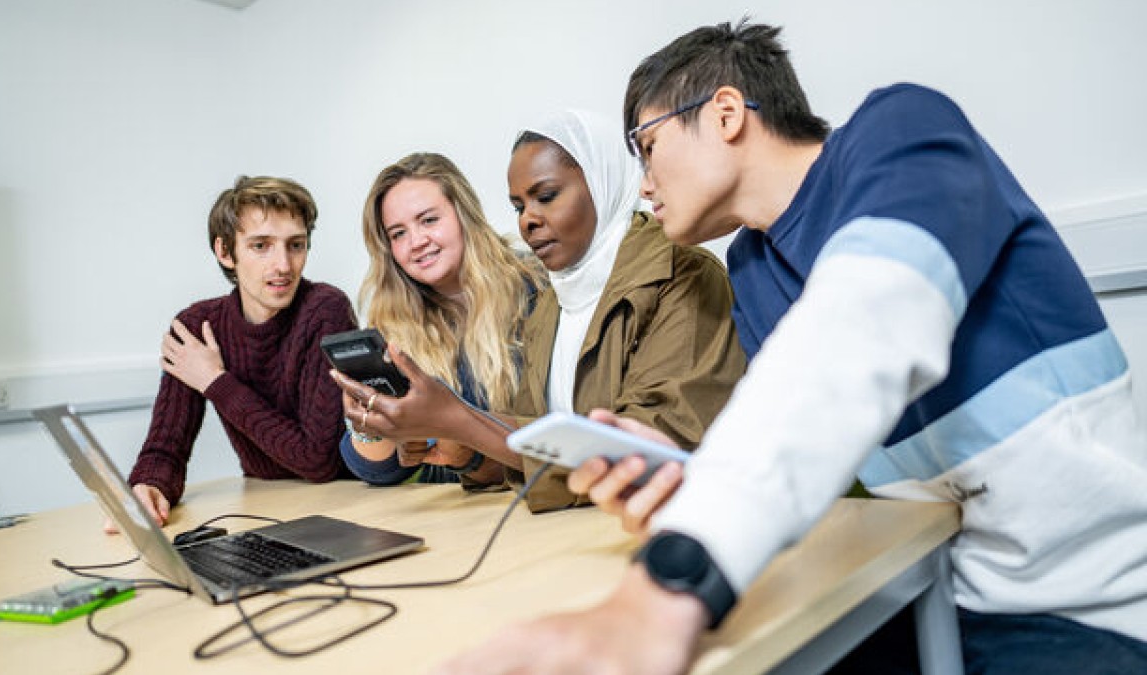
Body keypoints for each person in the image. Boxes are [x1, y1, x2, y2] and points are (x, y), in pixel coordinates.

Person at [436, 19, 1147, 675]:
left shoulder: (902, 129)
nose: (643, 183)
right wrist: (690, 483)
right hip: (930, 590)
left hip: (1085, 607)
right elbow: (826, 453)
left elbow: (861, 329)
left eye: (647, 146)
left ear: (725, 112)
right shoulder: (754, 266)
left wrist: (677, 572)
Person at [334, 110, 747, 512]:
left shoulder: (680, 273)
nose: (529, 220)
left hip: (666, 519)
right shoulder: (558, 298)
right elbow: (535, 436)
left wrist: (459, 421)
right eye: (518, 207)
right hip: (578, 521)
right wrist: (467, 453)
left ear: (602, 183)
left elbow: (646, 447)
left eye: (546, 197)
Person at [122, 175, 358, 530]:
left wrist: (216, 381)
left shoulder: (325, 310)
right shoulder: (196, 325)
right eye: (260, 246)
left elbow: (318, 460)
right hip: (264, 506)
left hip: (344, 505)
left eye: (296, 245)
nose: (283, 265)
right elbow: (164, 450)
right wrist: (150, 487)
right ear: (224, 251)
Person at [337, 152, 542, 488]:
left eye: (429, 220)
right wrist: (369, 423)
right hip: (454, 514)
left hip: (532, 503)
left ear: (464, 215)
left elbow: (552, 429)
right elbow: (381, 471)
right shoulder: (393, 319)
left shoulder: (533, 286)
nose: (417, 242)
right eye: (398, 233)